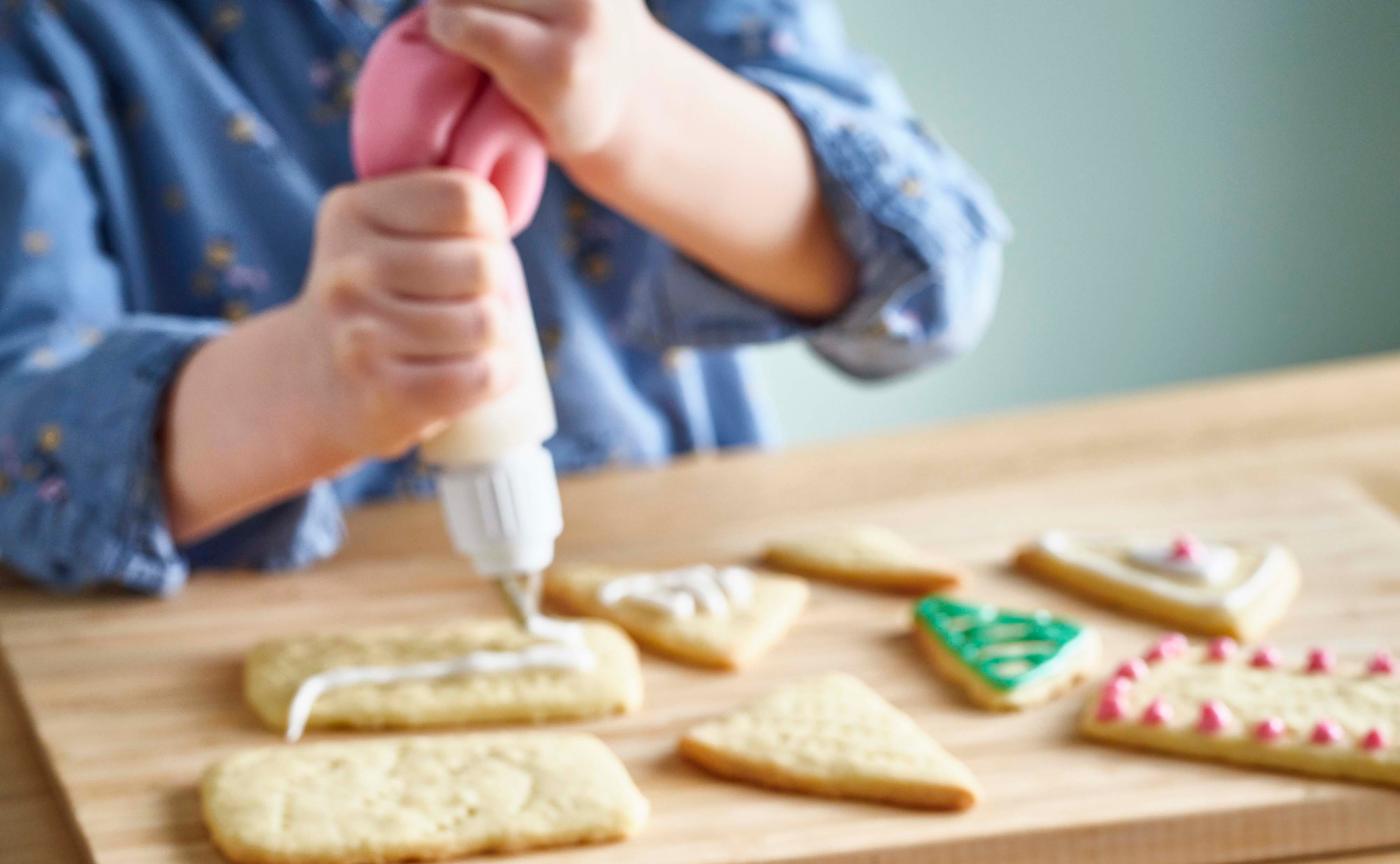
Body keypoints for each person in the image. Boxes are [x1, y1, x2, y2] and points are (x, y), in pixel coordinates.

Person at [0, 0, 1008, 594]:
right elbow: (21, 437)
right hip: (210, 646)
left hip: (667, 570)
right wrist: (304, 383)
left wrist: (635, 105)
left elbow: (932, 273)